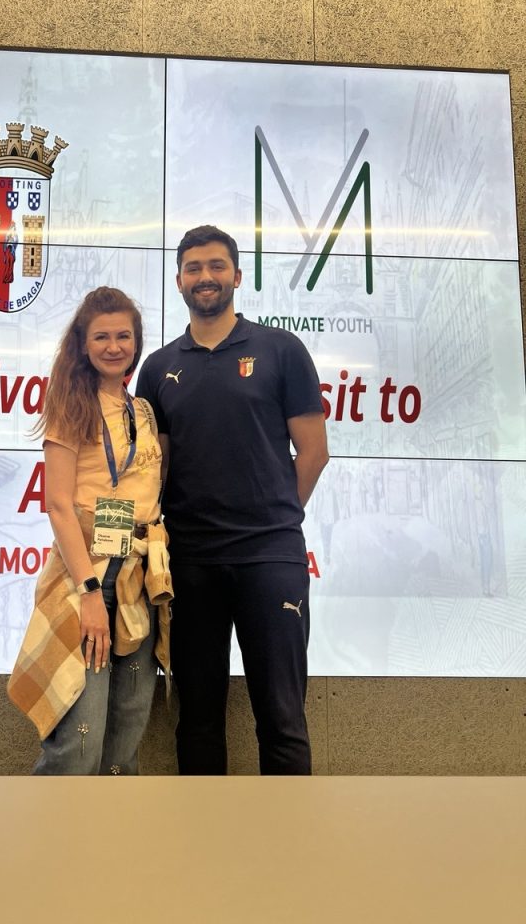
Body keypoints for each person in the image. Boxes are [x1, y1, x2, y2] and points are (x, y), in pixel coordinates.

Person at [136, 225, 329, 775]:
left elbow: (314, 452)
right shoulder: (158, 368)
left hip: (271, 559)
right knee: (197, 720)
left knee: (282, 719)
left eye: (217, 266)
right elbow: (155, 468)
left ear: (238, 276)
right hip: (190, 562)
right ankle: (204, 833)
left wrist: (273, 517)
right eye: (194, 268)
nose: (206, 277)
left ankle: (288, 832)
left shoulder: (281, 350)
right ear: (178, 281)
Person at [8, 286, 172, 774]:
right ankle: (53, 828)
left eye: (124, 336)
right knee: (80, 744)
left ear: (136, 343)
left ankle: (112, 828)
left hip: (140, 577)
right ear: (83, 343)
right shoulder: (70, 405)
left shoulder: (143, 410)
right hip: (90, 576)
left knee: (126, 736)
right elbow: (58, 505)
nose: (114, 346)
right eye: (101, 337)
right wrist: (89, 592)